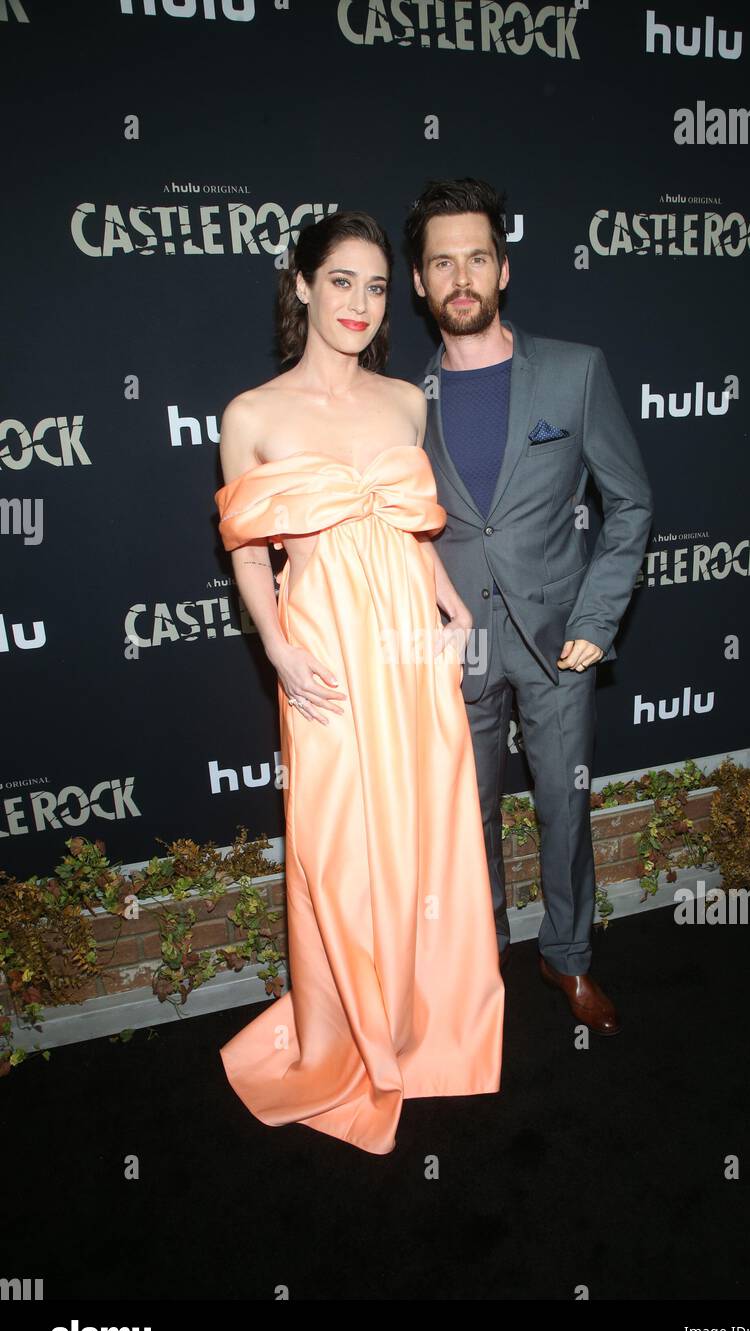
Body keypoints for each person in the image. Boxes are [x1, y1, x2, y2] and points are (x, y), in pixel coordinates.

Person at [213, 211, 504, 1155]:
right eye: (341, 281)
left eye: (377, 286)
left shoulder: (403, 403)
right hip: (325, 652)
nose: (360, 303)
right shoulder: (251, 415)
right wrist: (277, 652)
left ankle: (423, 1032)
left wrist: (449, 601)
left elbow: (409, 528)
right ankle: (349, 1041)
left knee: (423, 833)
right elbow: (250, 553)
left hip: (408, 648)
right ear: (300, 285)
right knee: (341, 850)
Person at [406, 177, 653, 1036]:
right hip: (452, 647)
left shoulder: (574, 373)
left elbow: (630, 503)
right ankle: (481, 965)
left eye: (477, 256)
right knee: (463, 817)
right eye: (443, 262)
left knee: (563, 808)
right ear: (420, 283)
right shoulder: (403, 404)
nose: (461, 276)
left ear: (504, 268)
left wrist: (594, 620)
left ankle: (569, 956)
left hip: (558, 641)